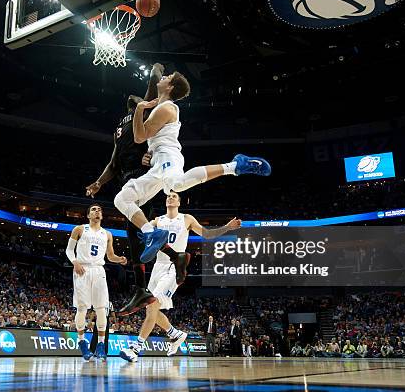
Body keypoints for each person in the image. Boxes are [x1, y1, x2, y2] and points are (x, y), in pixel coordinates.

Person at [113, 71, 272, 263]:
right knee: (121, 199)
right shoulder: (161, 107)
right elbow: (147, 137)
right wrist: (151, 154)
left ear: (170, 87)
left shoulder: (167, 108)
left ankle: (236, 165)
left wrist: (139, 109)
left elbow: (139, 136)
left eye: (167, 77)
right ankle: (150, 233)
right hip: (159, 162)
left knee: (177, 184)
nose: (163, 78)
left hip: (168, 157)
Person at [120, 192, 241, 362]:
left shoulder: (187, 219)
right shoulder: (157, 220)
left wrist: (227, 227)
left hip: (174, 266)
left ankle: (136, 348)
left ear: (179, 202)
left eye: (174, 196)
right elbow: (140, 229)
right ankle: (175, 334)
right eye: (168, 196)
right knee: (150, 308)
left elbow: (207, 234)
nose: (170, 198)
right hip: (157, 267)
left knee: (152, 305)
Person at [85, 63, 163, 317]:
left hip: (143, 177)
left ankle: (143, 287)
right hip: (127, 180)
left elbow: (152, 88)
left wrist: (155, 71)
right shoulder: (120, 127)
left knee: (135, 235)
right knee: (134, 236)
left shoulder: (145, 113)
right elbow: (113, 162)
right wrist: (99, 182)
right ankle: (146, 284)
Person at [66, 204, 127, 361]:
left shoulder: (107, 234)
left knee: (101, 308)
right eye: (93, 209)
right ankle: (81, 342)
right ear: (88, 215)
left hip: (99, 270)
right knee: (82, 308)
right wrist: (75, 262)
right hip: (82, 270)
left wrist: (119, 259)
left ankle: (100, 344)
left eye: (100, 209)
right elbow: (68, 250)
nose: (97, 211)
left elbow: (110, 256)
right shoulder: (79, 229)